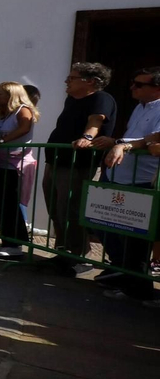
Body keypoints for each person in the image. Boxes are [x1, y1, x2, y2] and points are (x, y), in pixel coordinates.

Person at [41, 62, 119, 272]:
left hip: (76, 164)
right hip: (56, 159)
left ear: (91, 81)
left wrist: (86, 138)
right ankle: (63, 251)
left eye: (72, 77)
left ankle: (79, 257)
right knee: (56, 209)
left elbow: (95, 122)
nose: (67, 81)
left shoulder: (101, 98)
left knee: (70, 210)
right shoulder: (71, 100)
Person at [93, 67, 160, 306]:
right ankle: (125, 276)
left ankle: (139, 288)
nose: (132, 88)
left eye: (139, 84)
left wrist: (120, 143)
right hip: (121, 176)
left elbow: (154, 140)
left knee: (137, 239)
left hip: (142, 179)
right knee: (109, 227)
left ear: (156, 88)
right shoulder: (140, 107)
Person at [0, 81, 37, 260]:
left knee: (7, 204)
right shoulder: (1, 113)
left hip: (16, 164)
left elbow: (25, 127)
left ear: (10, 96)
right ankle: (8, 239)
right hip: (2, 162)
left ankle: (15, 244)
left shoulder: (23, 110)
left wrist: (2, 142)